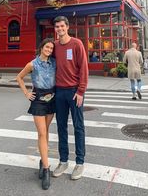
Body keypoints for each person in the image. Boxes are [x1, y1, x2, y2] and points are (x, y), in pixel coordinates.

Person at [16, 38, 56, 190]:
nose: (49, 50)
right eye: (47, 47)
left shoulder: (54, 63)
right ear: (41, 47)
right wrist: (26, 93)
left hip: (52, 99)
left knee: (45, 133)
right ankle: (46, 168)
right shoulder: (32, 64)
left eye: (51, 49)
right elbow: (19, 77)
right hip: (38, 100)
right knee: (41, 133)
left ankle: (42, 159)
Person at [52, 16, 88, 180]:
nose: (59, 29)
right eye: (57, 27)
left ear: (67, 27)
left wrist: (81, 91)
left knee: (78, 127)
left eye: (62, 26)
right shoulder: (54, 46)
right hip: (59, 92)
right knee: (61, 128)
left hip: (74, 92)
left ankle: (79, 163)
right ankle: (63, 161)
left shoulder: (76, 44)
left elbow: (83, 69)